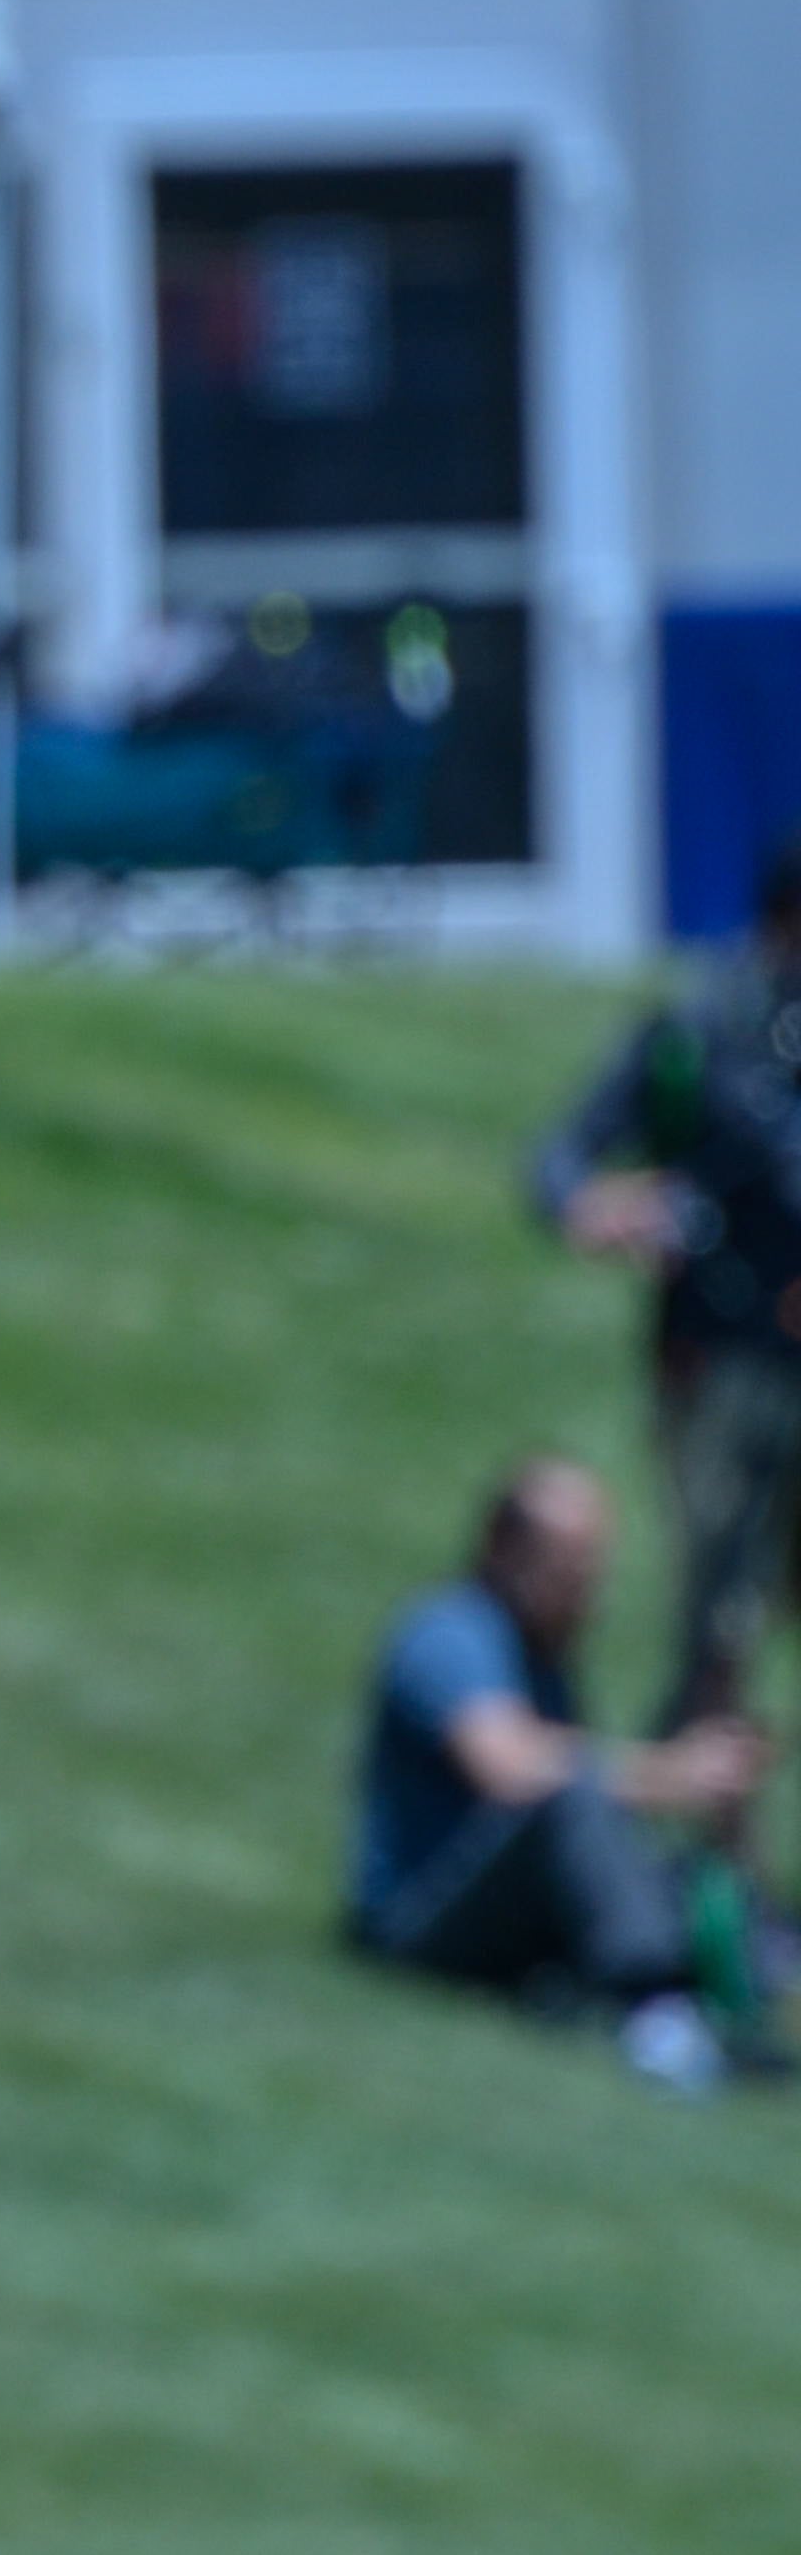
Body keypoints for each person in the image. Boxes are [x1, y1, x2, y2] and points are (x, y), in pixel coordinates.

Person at [348, 1458, 770, 2088]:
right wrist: (671, 1774)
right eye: (564, 1569)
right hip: (413, 1922)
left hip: (506, 1925)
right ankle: (655, 2015)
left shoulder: (545, 1665)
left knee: (682, 1876)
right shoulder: (448, 1631)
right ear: (501, 1549)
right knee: (572, 1795)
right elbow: (510, 1768)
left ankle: (739, 1998)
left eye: (590, 1570)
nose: (584, 1591)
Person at [537, 834, 801, 1744]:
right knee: (720, 1625)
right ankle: (705, 1864)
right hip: (721, 1361)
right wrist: (598, 1209)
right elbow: (561, 1161)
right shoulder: (698, 1036)